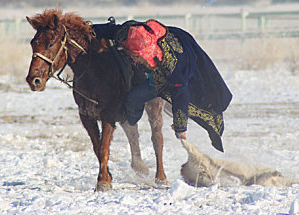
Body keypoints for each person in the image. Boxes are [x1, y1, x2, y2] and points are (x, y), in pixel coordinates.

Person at [93, 19, 232, 152]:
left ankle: (130, 120)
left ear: (146, 54)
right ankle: (132, 117)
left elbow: (180, 93)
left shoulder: (173, 65)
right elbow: (110, 30)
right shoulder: (133, 35)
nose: (133, 59)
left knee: (134, 98)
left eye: (135, 57)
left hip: (182, 72)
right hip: (162, 63)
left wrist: (180, 128)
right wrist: (87, 29)